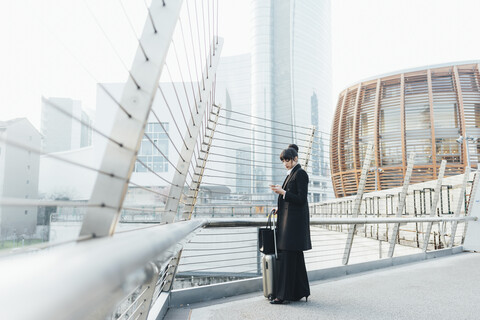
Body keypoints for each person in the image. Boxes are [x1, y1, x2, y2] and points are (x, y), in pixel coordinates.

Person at [269, 147, 312, 304]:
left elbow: (301, 199)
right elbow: (293, 201)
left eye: (287, 160)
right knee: (295, 258)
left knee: (288, 257)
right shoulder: (292, 174)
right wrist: (280, 207)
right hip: (291, 222)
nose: (285, 163)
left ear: (295, 158)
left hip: (293, 226)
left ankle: (283, 295)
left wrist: (283, 192)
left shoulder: (300, 174)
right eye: (283, 161)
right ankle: (301, 291)